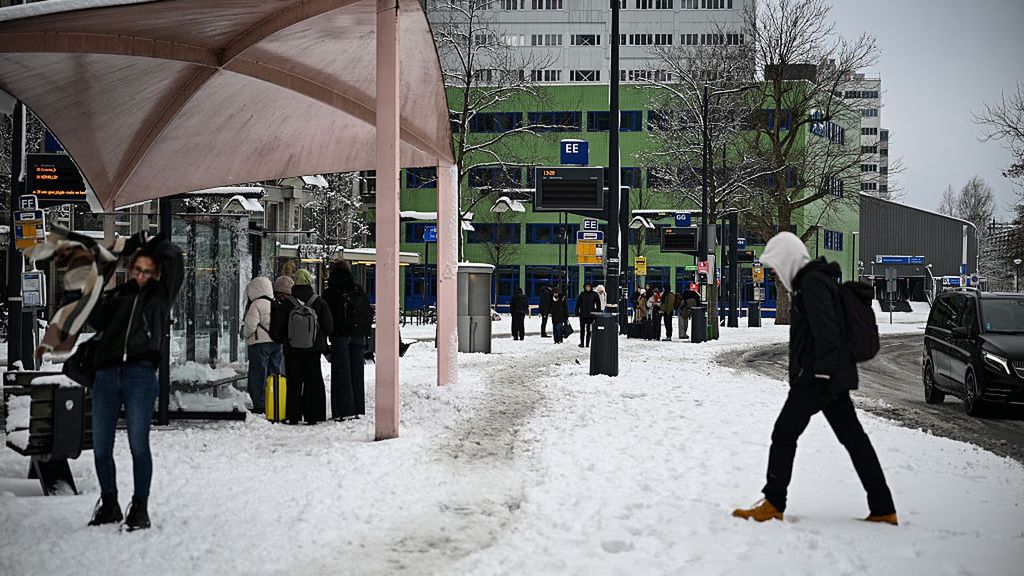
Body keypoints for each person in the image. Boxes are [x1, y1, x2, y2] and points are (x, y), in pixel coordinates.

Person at [732, 232, 897, 525]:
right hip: (827, 376)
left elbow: (827, 333)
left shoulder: (812, 284)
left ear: (787, 260)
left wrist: (820, 376)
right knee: (854, 440)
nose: (774, 273)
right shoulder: (812, 282)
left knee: (784, 434)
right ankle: (883, 508)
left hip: (817, 378)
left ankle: (773, 503)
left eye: (775, 266)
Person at [87, 232, 184, 530]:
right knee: (101, 446)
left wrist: (151, 245)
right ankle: (110, 502)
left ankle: (140, 507)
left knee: (138, 445)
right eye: (138, 269)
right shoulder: (117, 296)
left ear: (155, 274)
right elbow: (93, 312)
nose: (142, 276)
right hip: (106, 373)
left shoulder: (160, 296)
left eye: (148, 271)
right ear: (131, 269)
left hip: (140, 374)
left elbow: (176, 261)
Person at [271, 269, 333, 425]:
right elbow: (329, 326)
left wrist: (286, 339)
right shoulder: (318, 302)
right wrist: (317, 337)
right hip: (313, 350)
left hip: (292, 349)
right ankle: (313, 415)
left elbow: (277, 329)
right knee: (313, 381)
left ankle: (293, 415)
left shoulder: (286, 303)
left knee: (293, 381)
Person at [323, 261, 372, 421]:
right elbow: (367, 311)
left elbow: (326, 316)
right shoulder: (357, 289)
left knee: (341, 373)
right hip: (358, 335)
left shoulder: (331, 291)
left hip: (340, 336)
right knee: (357, 372)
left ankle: (344, 410)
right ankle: (358, 408)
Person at [242, 277, 282, 415]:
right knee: (273, 373)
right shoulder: (274, 303)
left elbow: (250, 325)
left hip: (260, 344)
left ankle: (260, 403)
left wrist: (246, 335)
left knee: (258, 374)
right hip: (276, 343)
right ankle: (274, 400)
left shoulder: (256, 304)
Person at [574, 282, 601, 348]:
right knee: (582, 330)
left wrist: (598, 312)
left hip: (591, 314)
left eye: (589, 286)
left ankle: (587, 343)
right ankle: (582, 343)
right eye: (586, 286)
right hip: (583, 314)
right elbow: (578, 304)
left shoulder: (595, 294)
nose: (588, 288)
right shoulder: (582, 294)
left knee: (589, 330)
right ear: (585, 287)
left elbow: (598, 304)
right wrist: (577, 312)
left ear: (591, 287)